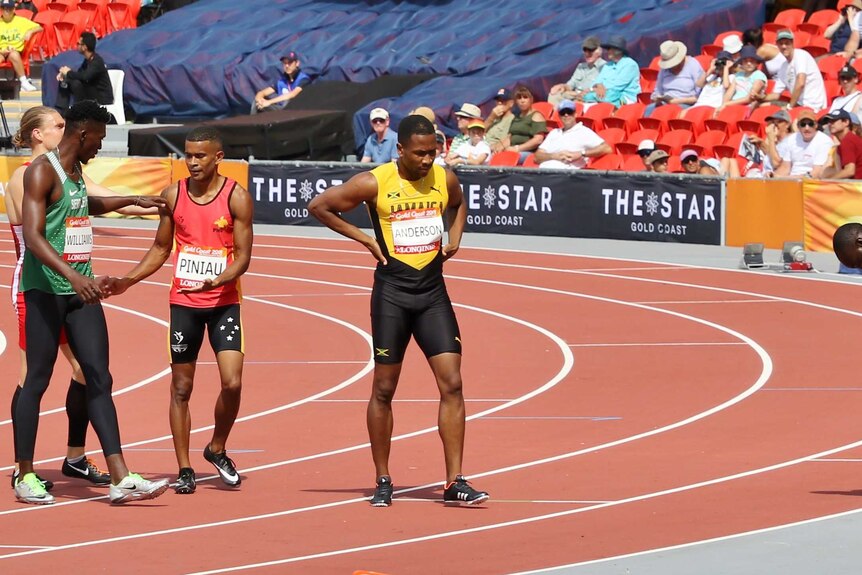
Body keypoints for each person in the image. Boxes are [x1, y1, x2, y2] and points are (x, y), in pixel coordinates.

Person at [308, 114, 489, 507]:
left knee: (453, 383)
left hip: (432, 293)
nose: (427, 160)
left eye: (433, 153)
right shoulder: (374, 181)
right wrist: (366, 241)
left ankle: (454, 479)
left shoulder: (444, 178)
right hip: (392, 295)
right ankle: (383, 477)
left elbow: (459, 205)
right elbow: (320, 206)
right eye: (420, 153)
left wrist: (454, 238)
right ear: (400, 149)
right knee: (384, 389)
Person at [14, 101, 168, 505]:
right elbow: (33, 236)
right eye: (99, 137)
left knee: (99, 376)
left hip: (81, 291)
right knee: (38, 379)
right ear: (83, 134)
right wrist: (73, 275)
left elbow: (85, 206)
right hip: (47, 290)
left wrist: (134, 201)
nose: (100, 146)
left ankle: (120, 475)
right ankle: (25, 474)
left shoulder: (76, 170)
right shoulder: (41, 170)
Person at [103, 127, 253, 495]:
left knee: (232, 382)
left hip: (223, 302)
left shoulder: (237, 197)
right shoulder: (174, 195)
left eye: (200, 156)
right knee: (181, 387)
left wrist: (218, 279)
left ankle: (216, 447)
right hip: (184, 304)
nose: (193, 162)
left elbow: (244, 257)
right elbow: (159, 249)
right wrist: (128, 280)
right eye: (188, 155)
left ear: (218, 157)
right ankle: (184, 467)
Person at [756, 30, 827, 111]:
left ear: (792, 43)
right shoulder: (783, 66)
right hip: (798, 104)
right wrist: (762, 97)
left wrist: (790, 107)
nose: (784, 46)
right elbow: (776, 94)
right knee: (763, 106)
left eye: (787, 43)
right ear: (777, 45)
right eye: (781, 43)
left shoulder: (800, 55)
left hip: (813, 106)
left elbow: (800, 83)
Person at [534, 99, 611, 169]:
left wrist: (581, 154)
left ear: (575, 114)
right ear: (559, 116)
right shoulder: (554, 133)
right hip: (543, 175)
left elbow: (606, 148)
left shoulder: (583, 131)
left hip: (566, 177)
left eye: (569, 112)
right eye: (563, 113)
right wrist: (554, 156)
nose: (566, 115)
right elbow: (537, 157)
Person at [55, 32, 113, 111]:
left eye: (78, 43)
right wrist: (65, 75)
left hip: (101, 96)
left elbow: (85, 76)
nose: (77, 46)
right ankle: (61, 110)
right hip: (91, 92)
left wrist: (68, 72)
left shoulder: (97, 61)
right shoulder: (87, 60)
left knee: (76, 84)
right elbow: (79, 74)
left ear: (84, 47)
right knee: (66, 81)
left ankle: (79, 110)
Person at [582, 35, 641, 108]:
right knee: (587, 97)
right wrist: (599, 86)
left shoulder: (630, 65)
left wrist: (596, 89)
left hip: (625, 98)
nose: (608, 51)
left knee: (604, 96)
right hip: (606, 95)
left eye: (610, 49)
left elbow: (616, 87)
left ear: (619, 51)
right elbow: (596, 82)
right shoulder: (607, 65)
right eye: (608, 49)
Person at [647, 40, 703, 115]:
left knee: (666, 113)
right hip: (665, 103)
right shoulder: (663, 70)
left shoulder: (693, 65)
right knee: (649, 110)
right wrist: (657, 99)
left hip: (686, 104)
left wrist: (676, 101)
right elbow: (657, 91)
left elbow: (699, 95)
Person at [775, 109, 833, 178]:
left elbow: (816, 173)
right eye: (803, 124)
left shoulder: (824, 141)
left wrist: (789, 178)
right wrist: (774, 176)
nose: (807, 128)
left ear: (816, 125)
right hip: (791, 180)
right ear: (798, 126)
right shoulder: (792, 139)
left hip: (810, 183)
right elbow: (785, 167)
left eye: (810, 124)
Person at [548, 36, 605, 106]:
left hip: (590, 98)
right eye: (585, 50)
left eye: (590, 50)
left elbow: (604, 89)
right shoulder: (581, 66)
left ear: (599, 51)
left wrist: (590, 91)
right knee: (554, 94)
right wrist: (562, 86)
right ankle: (557, 116)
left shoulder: (605, 67)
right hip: (575, 95)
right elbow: (570, 85)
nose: (587, 53)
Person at [0, 0, 40, 92]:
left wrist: (30, 31)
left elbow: (39, 27)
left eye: (9, 9)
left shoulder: (21, 21)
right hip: (1, 51)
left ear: (14, 9)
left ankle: (24, 82)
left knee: (14, 55)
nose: (6, 11)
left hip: (15, 51)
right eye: (4, 8)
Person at [501, 84, 546, 162]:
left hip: (528, 152)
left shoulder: (536, 116)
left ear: (531, 99)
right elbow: (510, 137)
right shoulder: (516, 117)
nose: (522, 101)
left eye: (525, 97)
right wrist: (500, 147)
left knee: (508, 159)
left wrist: (517, 148)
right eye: (519, 98)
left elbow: (538, 140)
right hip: (512, 150)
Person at [822, 108, 862, 179]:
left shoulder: (848, 140)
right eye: (829, 121)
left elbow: (849, 171)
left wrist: (828, 181)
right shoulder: (850, 139)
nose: (830, 124)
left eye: (834, 121)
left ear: (846, 122)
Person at [485, 87, 515, 154]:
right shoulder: (494, 117)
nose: (499, 103)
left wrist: (487, 148)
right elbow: (480, 132)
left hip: (492, 152)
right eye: (498, 100)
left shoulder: (513, 120)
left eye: (503, 100)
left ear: (511, 103)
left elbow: (505, 141)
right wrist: (491, 117)